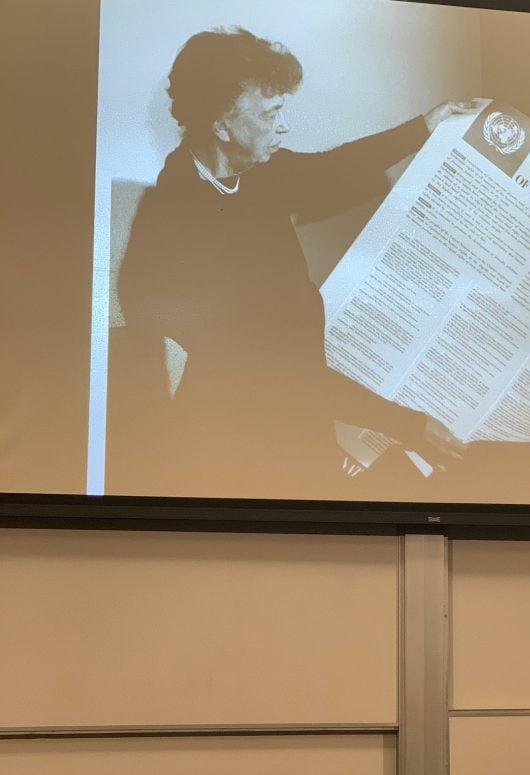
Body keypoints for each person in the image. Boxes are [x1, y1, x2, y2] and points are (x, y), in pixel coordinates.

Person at [110, 26, 475, 496]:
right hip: (233, 448)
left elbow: (329, 170)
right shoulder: (180, 220)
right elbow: (272, 368)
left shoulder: (255, 173)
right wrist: (406, 425)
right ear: (221, 125)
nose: (284, 125)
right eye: (271, 113)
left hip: (296, 420)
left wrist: (425, 125)